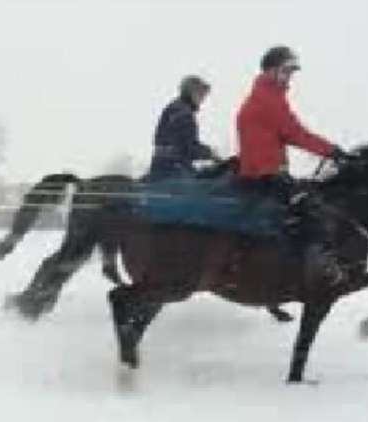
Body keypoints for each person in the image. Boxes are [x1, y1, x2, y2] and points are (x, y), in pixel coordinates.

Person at [235, 46, 353, 281]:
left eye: (291, 72)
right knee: (312, 209)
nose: (289, 77)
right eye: (285, 71)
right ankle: (318, 268)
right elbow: (295, 133)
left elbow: (289, 133)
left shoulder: (267, 96)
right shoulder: (267, 100)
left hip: (262, 171)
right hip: (264, 174)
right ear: (270, 71)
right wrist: (333, 151)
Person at [147, 75, 220, 181]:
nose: (202, 99)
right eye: (200, 94)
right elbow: (189, 148)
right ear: (191, 93)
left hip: (162, 166)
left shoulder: (173, 108)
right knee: (207, 189)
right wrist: (211, 154)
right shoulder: (183, 114)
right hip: (174, 170)